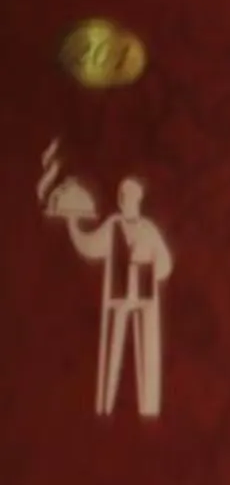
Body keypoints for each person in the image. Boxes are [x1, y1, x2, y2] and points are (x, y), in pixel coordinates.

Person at [63, 175, 173, 418]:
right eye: (123, 197)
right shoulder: (113, 226)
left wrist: (149, 261)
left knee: (148, 354)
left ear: (138, 200)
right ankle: (104, 407)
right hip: (118, 298)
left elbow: (166, 264)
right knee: (110, 354)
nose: (127, 201)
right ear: (120, 200)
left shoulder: (148, 229)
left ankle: (150, 409)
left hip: (145, 298)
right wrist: (72, 223)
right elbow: (89, 246)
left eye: (131, 197)